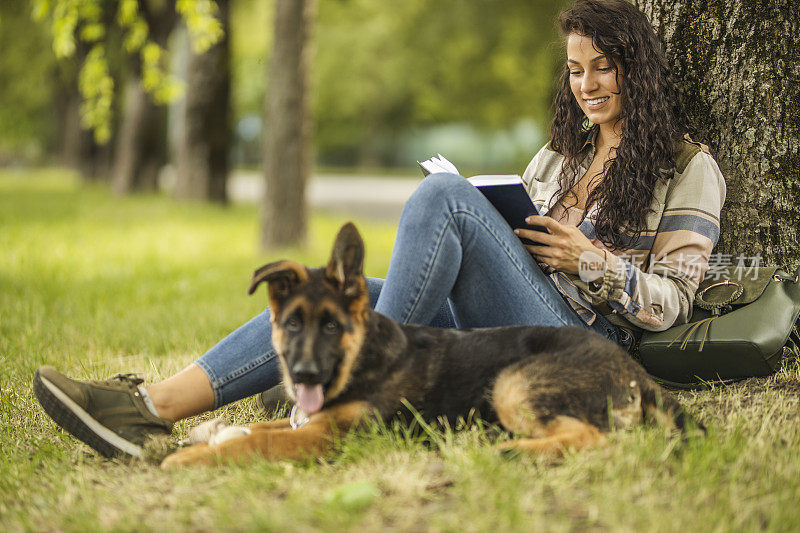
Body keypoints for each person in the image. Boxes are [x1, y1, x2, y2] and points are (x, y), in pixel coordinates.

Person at [33, 0, 725, 460]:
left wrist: (590, 259)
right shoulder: (558, 156)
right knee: (339, 295)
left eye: (604, 66)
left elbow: (675, 304)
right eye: (576, 69)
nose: (588, 84)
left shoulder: (689, 168)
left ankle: (344, 408)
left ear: (639, 69)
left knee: (444, 197)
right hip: (501, 325)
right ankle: (149, 406)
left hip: (573, 341)